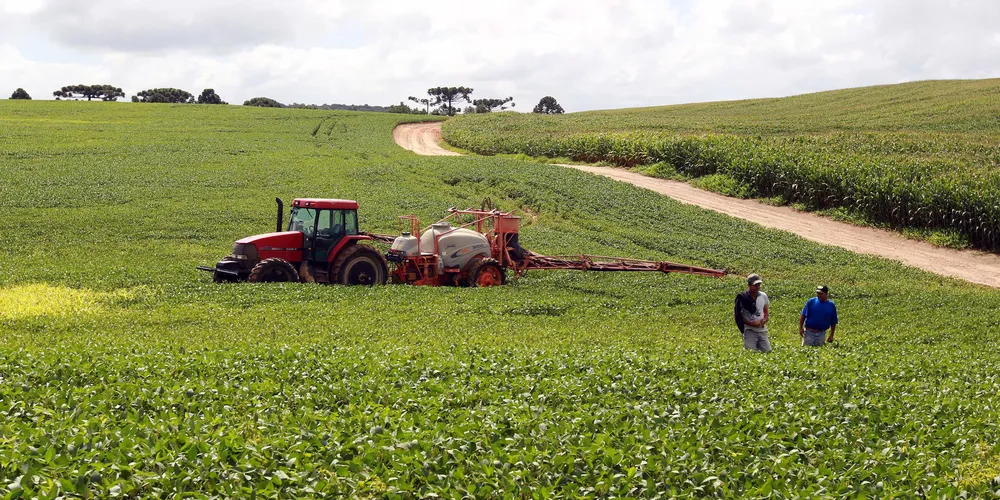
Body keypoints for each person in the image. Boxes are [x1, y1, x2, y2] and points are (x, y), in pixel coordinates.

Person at [735, 274, 771, 352]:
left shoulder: (763, 295)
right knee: (751, 352)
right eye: (755, 285)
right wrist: (752, 323)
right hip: (749, 329)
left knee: (767, 351)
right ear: (749, 285)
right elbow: (739, 316)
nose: (757, 287)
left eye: (758, 285)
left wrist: (765, 319)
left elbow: (765, 310)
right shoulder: (743, 297)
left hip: (761, 329)